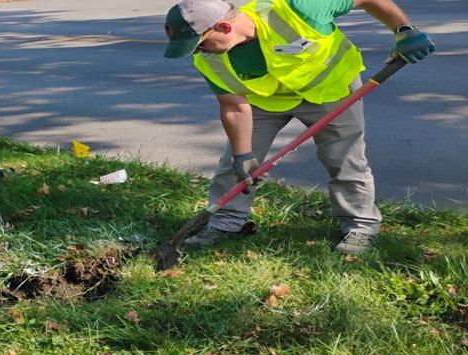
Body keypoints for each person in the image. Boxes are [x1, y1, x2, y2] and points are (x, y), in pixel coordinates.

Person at [160, 0, 433, 255]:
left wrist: (405, 31)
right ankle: (227, 223)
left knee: (345, 161)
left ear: (223, 26)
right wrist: (244, 156)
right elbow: (233, 105)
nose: (197, 52)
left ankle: (360, 226)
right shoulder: (208, 58)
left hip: (331, 92)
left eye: (199, 44)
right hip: (264, 102)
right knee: (233, 164)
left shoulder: (297, 9)